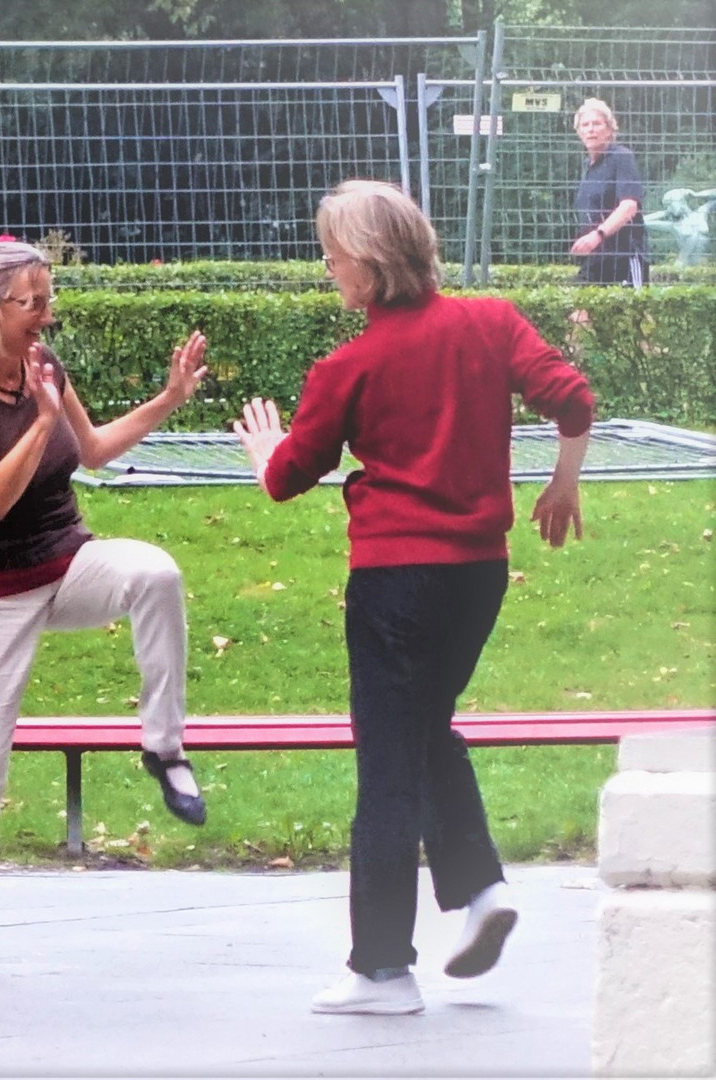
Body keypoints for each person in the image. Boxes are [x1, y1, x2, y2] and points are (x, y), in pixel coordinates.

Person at [233, 181, 594, 1016]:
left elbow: (289, 478)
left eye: (331, 257)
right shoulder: (493, 323)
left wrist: (262, 448)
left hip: (394, 585)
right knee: (427, 731)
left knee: (389, 766)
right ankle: (482, 892)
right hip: (479, 577)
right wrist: (562, 484)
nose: (327, 271)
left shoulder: (349, 366)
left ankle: (383, 970)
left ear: (363, 267)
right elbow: (573, 400)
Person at [0, 240, 210, 979]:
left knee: (156, 573)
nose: (47, 314)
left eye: (50, 297)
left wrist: (170, 398)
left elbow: (97, 449)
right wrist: (41, 422)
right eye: (33, 301)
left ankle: (164, 748)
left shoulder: (46, 368)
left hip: (69, 562)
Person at [569, 98, 647, 287]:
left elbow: (629, 206)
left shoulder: (621, 157)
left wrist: (598, 234)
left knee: (633, 315)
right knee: (578, 313)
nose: (590, 129)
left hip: (624, 257)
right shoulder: (588, 166)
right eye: (585, 125)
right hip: (595, 260)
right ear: (579, 132)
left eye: (597, 123)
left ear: (610, 129)